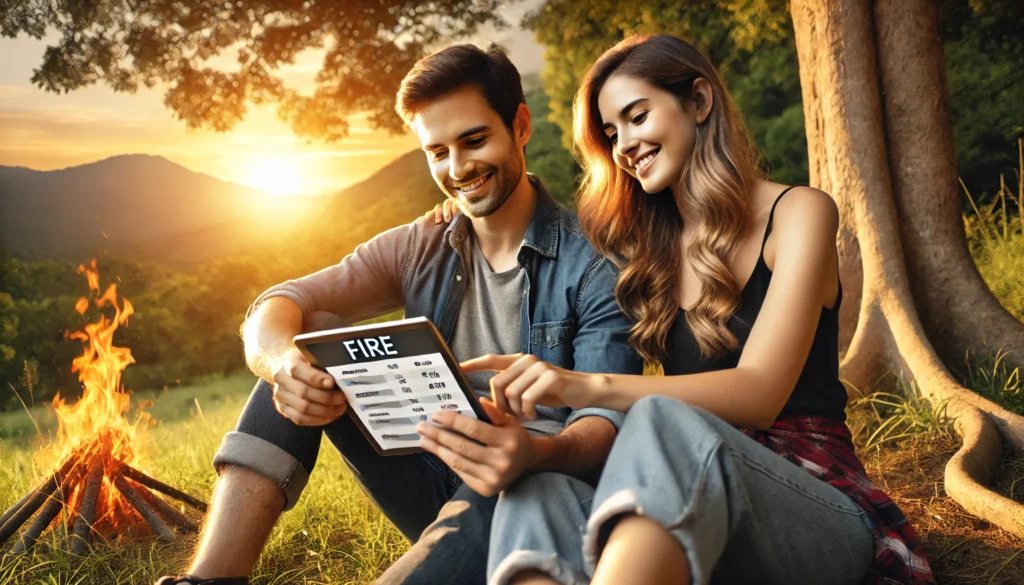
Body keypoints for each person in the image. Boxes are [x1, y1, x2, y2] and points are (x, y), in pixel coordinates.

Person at [155, 44, 642, 585]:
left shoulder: (595, 265)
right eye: (437, 152)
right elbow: (274, 304)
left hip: (538, 488)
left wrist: (533, 451)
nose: (458, 169)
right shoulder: (419, 244)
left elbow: (606, 422)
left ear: (520, 126)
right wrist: (282, 365)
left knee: (510, 490)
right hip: (429, 468)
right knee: (309, 337)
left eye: (474, 141)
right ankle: (210, 579)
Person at [460, 34, 935, 585]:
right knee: (539, 487)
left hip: (816, 502)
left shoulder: (799, 213)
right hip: (688, 499)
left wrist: (583, 386)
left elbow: (759, 394)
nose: (624, 146)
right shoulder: (648, 252)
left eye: (637, 117)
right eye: (611, 134)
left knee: (664, 422)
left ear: (700, 101)